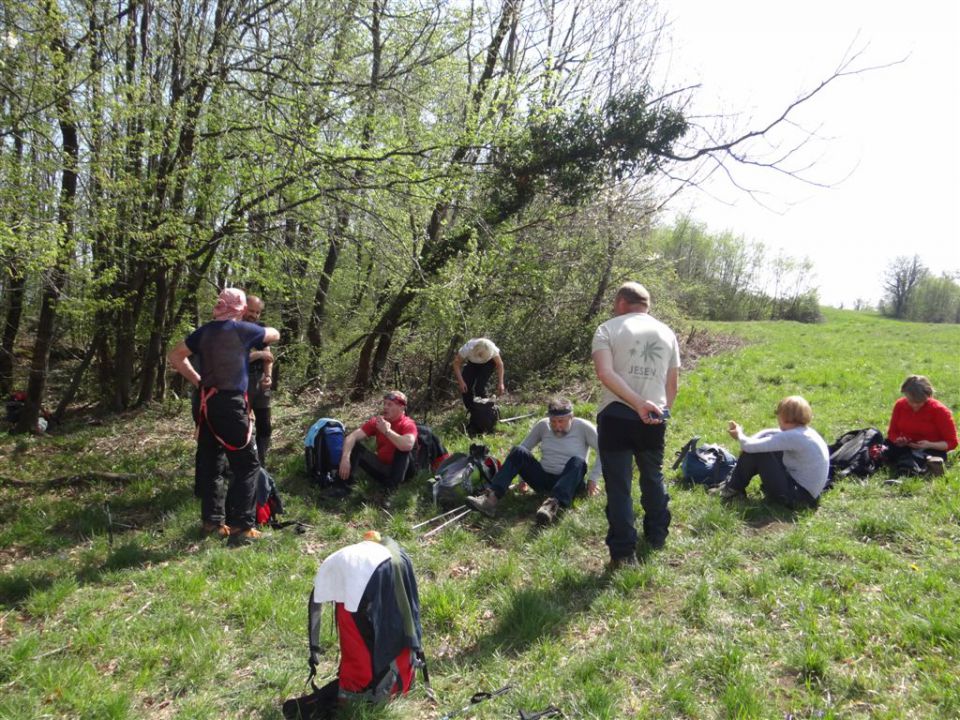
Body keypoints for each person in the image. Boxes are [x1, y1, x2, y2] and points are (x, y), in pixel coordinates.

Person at [168, 288, 280, 542]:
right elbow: (274, 334)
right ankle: (242, 526)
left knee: (212, 462)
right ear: (240, 309)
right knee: (248, 464)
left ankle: (212, 522)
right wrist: (264, 330)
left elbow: (176, 356)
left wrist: (199, 382)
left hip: (207, 404)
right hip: (230, 405)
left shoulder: (204, 332)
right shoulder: (241, 330)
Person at [592, 282, 679, 566]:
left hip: (616, 414)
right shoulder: (667, 333)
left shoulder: (608, 328)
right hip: (654, 416)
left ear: (620, 302)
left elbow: (605, 373)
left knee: (619, 486)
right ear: (646, 306)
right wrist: (657, 411)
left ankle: (624, 553)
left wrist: (636, 403)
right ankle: (657, 536)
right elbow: (672, 386)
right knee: (653, 477)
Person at [465, 396, 603, 524]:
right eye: (553, 422)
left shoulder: (584, 427)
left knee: (578, 461)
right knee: (518, 450)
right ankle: (491, 498)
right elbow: (525, 448)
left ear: (571, 417)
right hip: (543, 479)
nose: (557, 426)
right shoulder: (543, 425)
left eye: (561, 421)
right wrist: (522, 479)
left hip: (570, 482)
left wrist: (593, 479)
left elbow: (604, 450)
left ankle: (552, 506)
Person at [717, 395, 829, 508]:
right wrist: (754, 439)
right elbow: (770, 433)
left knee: (760, 453)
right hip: (807, 495)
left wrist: (739, 434)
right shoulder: (805, 432)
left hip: (798, 498)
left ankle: (732, 488)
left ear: (783, 416)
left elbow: (748, 446)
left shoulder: (791, 437)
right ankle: (734, 485)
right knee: (762, 447)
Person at [338, 391, 418, 490]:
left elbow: (407, 445)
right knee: (353, 446)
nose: (385, 407)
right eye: (384, 403)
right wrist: (345, 458)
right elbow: (351, 437)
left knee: (402, 449)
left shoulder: (408, 424)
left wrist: (387, 431)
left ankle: (391, 491)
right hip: (382, 468)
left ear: (401, 408)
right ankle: (343, 486)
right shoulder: (378, 422)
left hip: (405, 472)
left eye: (390, 404)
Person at [885, 375, 958, 476]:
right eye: (911, 401)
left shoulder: (939, 410)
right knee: (883, 449)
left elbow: (952, 442)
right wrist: (899, 440)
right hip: (906, 446)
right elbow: (892, 433)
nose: (915, 405)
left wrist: (929, 444)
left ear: (928, 396)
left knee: (911, 460)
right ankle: (923, 467)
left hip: (931, 449)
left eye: (919, 402)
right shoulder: (900, 405)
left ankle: (912, 470)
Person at [244, 295, 274, 469]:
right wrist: (258, 354)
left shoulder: (261, 329)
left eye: (257, 312)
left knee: (265, 424)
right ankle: (242, 464)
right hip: (240, 380)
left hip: (261, 380)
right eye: (251, 310)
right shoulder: (234, 328)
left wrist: (268, 375)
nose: (254, 315)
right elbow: (236, 360)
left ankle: (260, 464)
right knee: (243, 424)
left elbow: (268, 356)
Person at [452, 337, 505, 411]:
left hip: (488, 364)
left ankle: (487, 411)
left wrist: (501, 383)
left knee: (479, 388)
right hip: (472, 363)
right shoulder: (467, 348)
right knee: (465, 388)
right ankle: (472, 412)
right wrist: (461, 382)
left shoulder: (492, 348)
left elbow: (500, 364)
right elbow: (456, 364)